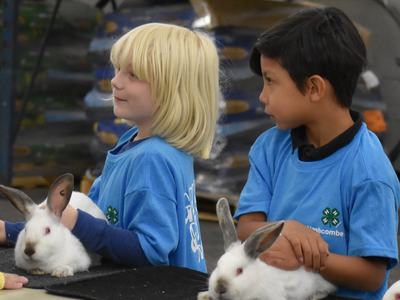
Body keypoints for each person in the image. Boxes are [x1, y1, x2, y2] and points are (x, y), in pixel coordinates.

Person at [0, 23, 220, 273]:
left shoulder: (152, 159)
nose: (115, 81)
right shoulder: (135, 142)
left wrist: (77, 222)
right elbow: (91, 212)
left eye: (133, 74)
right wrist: (12, 231)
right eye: (117, 69)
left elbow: (152, 252)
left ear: (173, 91)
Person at [234, 7, 399, 299]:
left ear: (313, 87)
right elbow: (246, 228)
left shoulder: (370, 171)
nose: (261, 96)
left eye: (270, 81)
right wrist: (282, 230)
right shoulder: (269, 148)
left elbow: (372, 275)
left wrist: (303, 259)